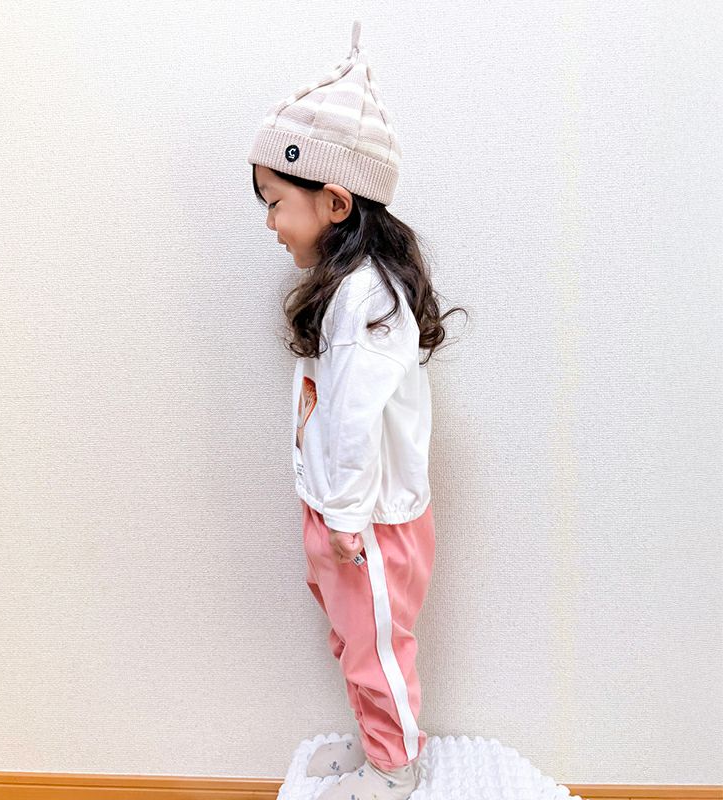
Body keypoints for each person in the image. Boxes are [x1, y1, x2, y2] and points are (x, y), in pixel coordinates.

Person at [248, 20, 465, 800]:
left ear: (335, 201)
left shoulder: (369, 298)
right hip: (342, 513)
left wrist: (341, 515)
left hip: (366, 521)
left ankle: (397, 767)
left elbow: (353, 417)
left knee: (374, 646)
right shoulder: (346, 291)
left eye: (277, 203)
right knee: (353, 640)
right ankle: (380, 746)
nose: (270, 223)